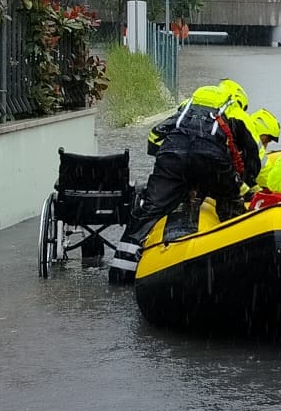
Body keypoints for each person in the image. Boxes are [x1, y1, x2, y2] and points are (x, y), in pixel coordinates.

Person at [112, 83, 261, 282]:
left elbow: (154, 138)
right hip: (211, 158)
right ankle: (239, 267)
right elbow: (253, 154)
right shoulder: (234, 111)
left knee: (148, 211)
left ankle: (121, 273)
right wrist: (248, 183)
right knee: (230, 206)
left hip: (173, 154)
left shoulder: (186, 108)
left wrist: (174, 166)